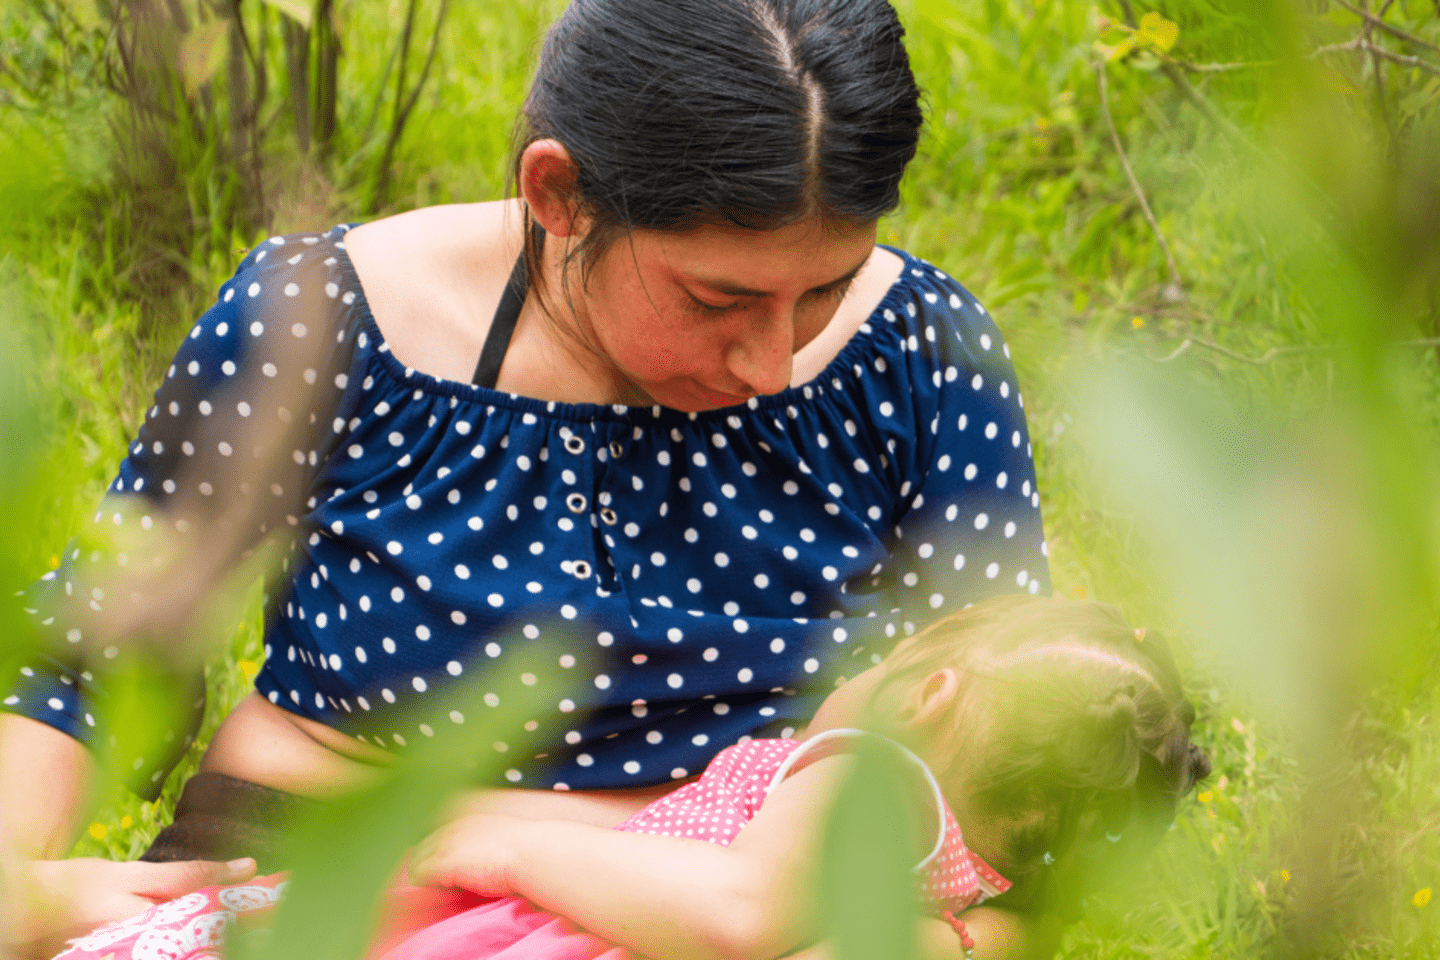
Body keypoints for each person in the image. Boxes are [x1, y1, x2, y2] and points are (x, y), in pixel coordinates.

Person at [0, 0, 1051, 956]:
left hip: (731, 901)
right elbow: (88, 662)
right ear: (558, 192)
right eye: (716, 299)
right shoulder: (323, 317)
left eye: (823, 289)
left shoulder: (917, 351)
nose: (769, 365)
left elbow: (1032, 753)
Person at [47, 597, 1211, 960]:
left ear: (929, 695)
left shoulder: (867, 775)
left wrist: (515, 849)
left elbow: (739, 912)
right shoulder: (964, 878)